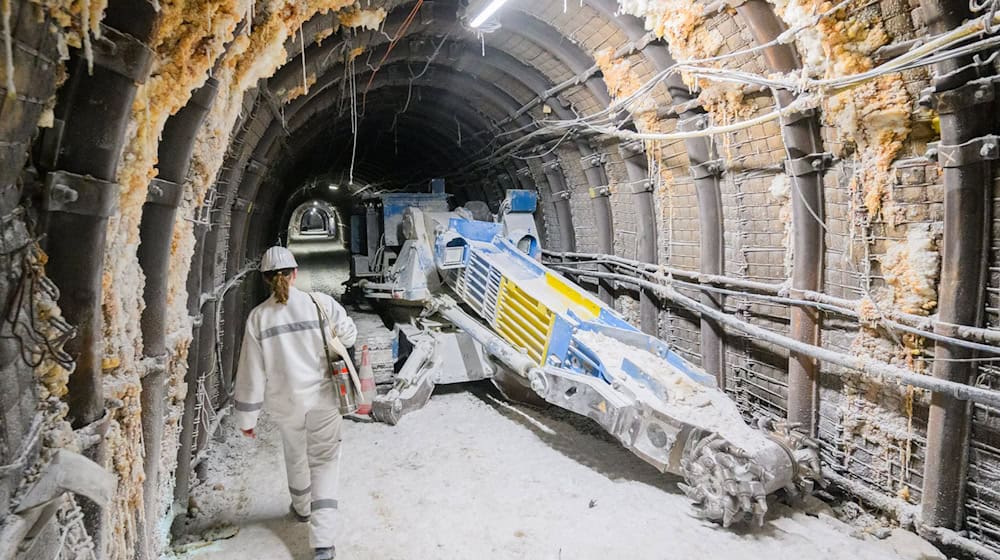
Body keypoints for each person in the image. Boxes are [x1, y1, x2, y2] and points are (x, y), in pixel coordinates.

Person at [233, 246, 357, 560]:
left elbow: (251, 373)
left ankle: (302, 509)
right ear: (295, 273)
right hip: (323, 399)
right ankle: (323, 544)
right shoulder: (320, 303)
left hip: (286, 402)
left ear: (265, 280)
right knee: (325, 463)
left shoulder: (258, 318)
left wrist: (246, 420)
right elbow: (349, 335)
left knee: (295, 453)